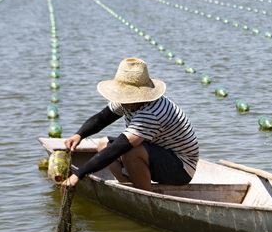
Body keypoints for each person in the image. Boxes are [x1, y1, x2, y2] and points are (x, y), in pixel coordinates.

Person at [61, 57, 198, 191]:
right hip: (159, 153)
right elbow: (102, 118)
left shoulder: (151, 112)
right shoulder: (128, 102)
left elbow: (120, 147)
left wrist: (79, 174)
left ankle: (145, 195)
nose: (124, 100)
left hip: (182, 169)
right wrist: (79, 135)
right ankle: (130, 187)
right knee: (103, 144)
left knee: (131, 150)